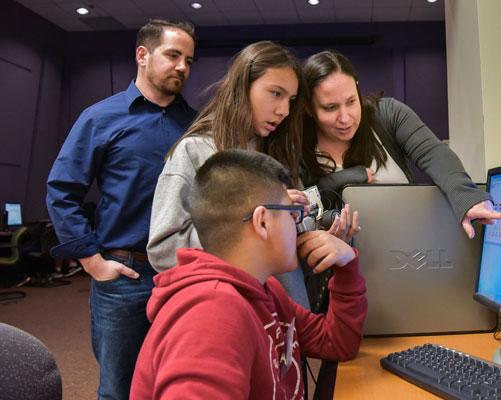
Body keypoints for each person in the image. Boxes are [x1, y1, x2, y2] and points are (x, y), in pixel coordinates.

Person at [130, 149, 367, 399]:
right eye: (292, 214)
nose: (298, 227)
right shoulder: (211, 314)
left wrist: (345, 267)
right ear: (263, 221)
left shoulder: (266, 291)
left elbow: (337, 343)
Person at [46, 19, 197, 399]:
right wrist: (93, 263)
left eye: (189, 60)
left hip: (183, 275)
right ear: (142, 55)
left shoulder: (195, 125)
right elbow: (62, 192)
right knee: (119, 390)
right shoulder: (101, 117)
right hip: (124, 277)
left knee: (180, 383)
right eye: (173, 55)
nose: (182, 66)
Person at [147, 41, 340, 308]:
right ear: (243, 87)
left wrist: (308, 229)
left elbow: (282, 252)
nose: (284, 110)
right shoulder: (194, 152)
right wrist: (253, 220)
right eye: (275, 93)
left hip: (285, 315)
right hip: (228, 315)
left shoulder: (278, 152)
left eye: (291, 100)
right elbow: (163, 250)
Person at [300, 50, 501, 240]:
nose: (345, 117)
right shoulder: (298, 145)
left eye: (351, 101)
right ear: (309, 108)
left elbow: (434, 153)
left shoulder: (388, 114)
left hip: (405, 253)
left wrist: (467, 197)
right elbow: (303, 210)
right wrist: (338, 181)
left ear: (357, 88)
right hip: (335, 272)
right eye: (330, 108)